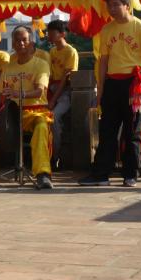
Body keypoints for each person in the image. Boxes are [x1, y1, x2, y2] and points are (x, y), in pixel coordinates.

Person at [79, 0, 141, 187]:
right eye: (109, 5)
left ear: (127, 6)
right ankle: (101, 175)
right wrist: (101, 89)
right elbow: (103, 61)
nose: (112, 9)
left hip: (133, 84)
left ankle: (130, 174)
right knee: (107, 130)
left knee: (132, 130)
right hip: (112, 83)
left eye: (116, 5)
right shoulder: (107, 29)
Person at [0, 26, 55, 189]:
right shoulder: (8, 67)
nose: (21, 43)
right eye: (17, 40)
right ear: (13, 43)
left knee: (42, 126)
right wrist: (0, 113)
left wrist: (18, 93)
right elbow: (2, 94)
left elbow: (38, 91)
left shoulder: (41, 64)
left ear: (31, 43)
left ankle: (42, 173)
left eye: (24, 40)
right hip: (11, 113)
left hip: (35, 112)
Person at [47, 20, 79, 170]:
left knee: (54, 117)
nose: (50, 36)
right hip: (52, 89)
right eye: (49, 33)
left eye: (53, 33)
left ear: (62, 34)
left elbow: (65, 80)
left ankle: (55, 157)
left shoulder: (71, 52)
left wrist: (53, 99)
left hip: (64, 92)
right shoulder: (52, 51)